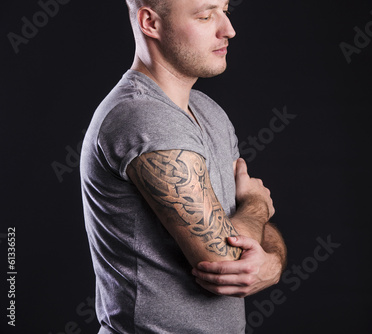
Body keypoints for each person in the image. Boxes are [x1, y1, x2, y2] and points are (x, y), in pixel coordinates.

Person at [80, 0, 287, 333]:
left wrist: (273, 260)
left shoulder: (208, 111)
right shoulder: (142, 117)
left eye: (225, 11)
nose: (228, 30)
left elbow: (249, 238)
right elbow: (226, 260)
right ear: (150, 23)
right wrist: (258, 206)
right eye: (205, 16)